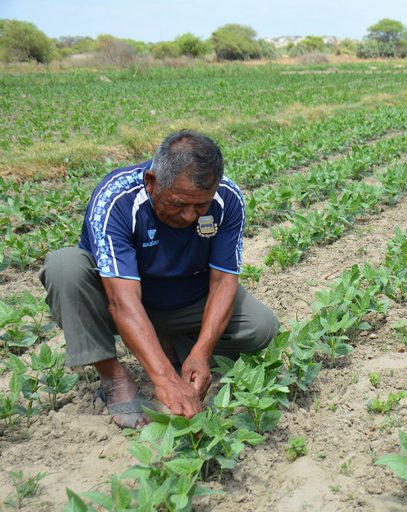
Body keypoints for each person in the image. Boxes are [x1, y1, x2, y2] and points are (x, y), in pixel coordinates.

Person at [40, 130, 280, 428]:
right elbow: (122, 301)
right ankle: (113, 377)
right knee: (64, 266)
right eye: (179, 204)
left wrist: (202, 351)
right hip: (124, 300)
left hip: (187, 299)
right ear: (151, 182)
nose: (190, 216)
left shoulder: (227, 198)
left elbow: (223, 281)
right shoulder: (117, 199)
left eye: (200, 206)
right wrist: (165, 379)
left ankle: (176, 347)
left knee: (262, 328)